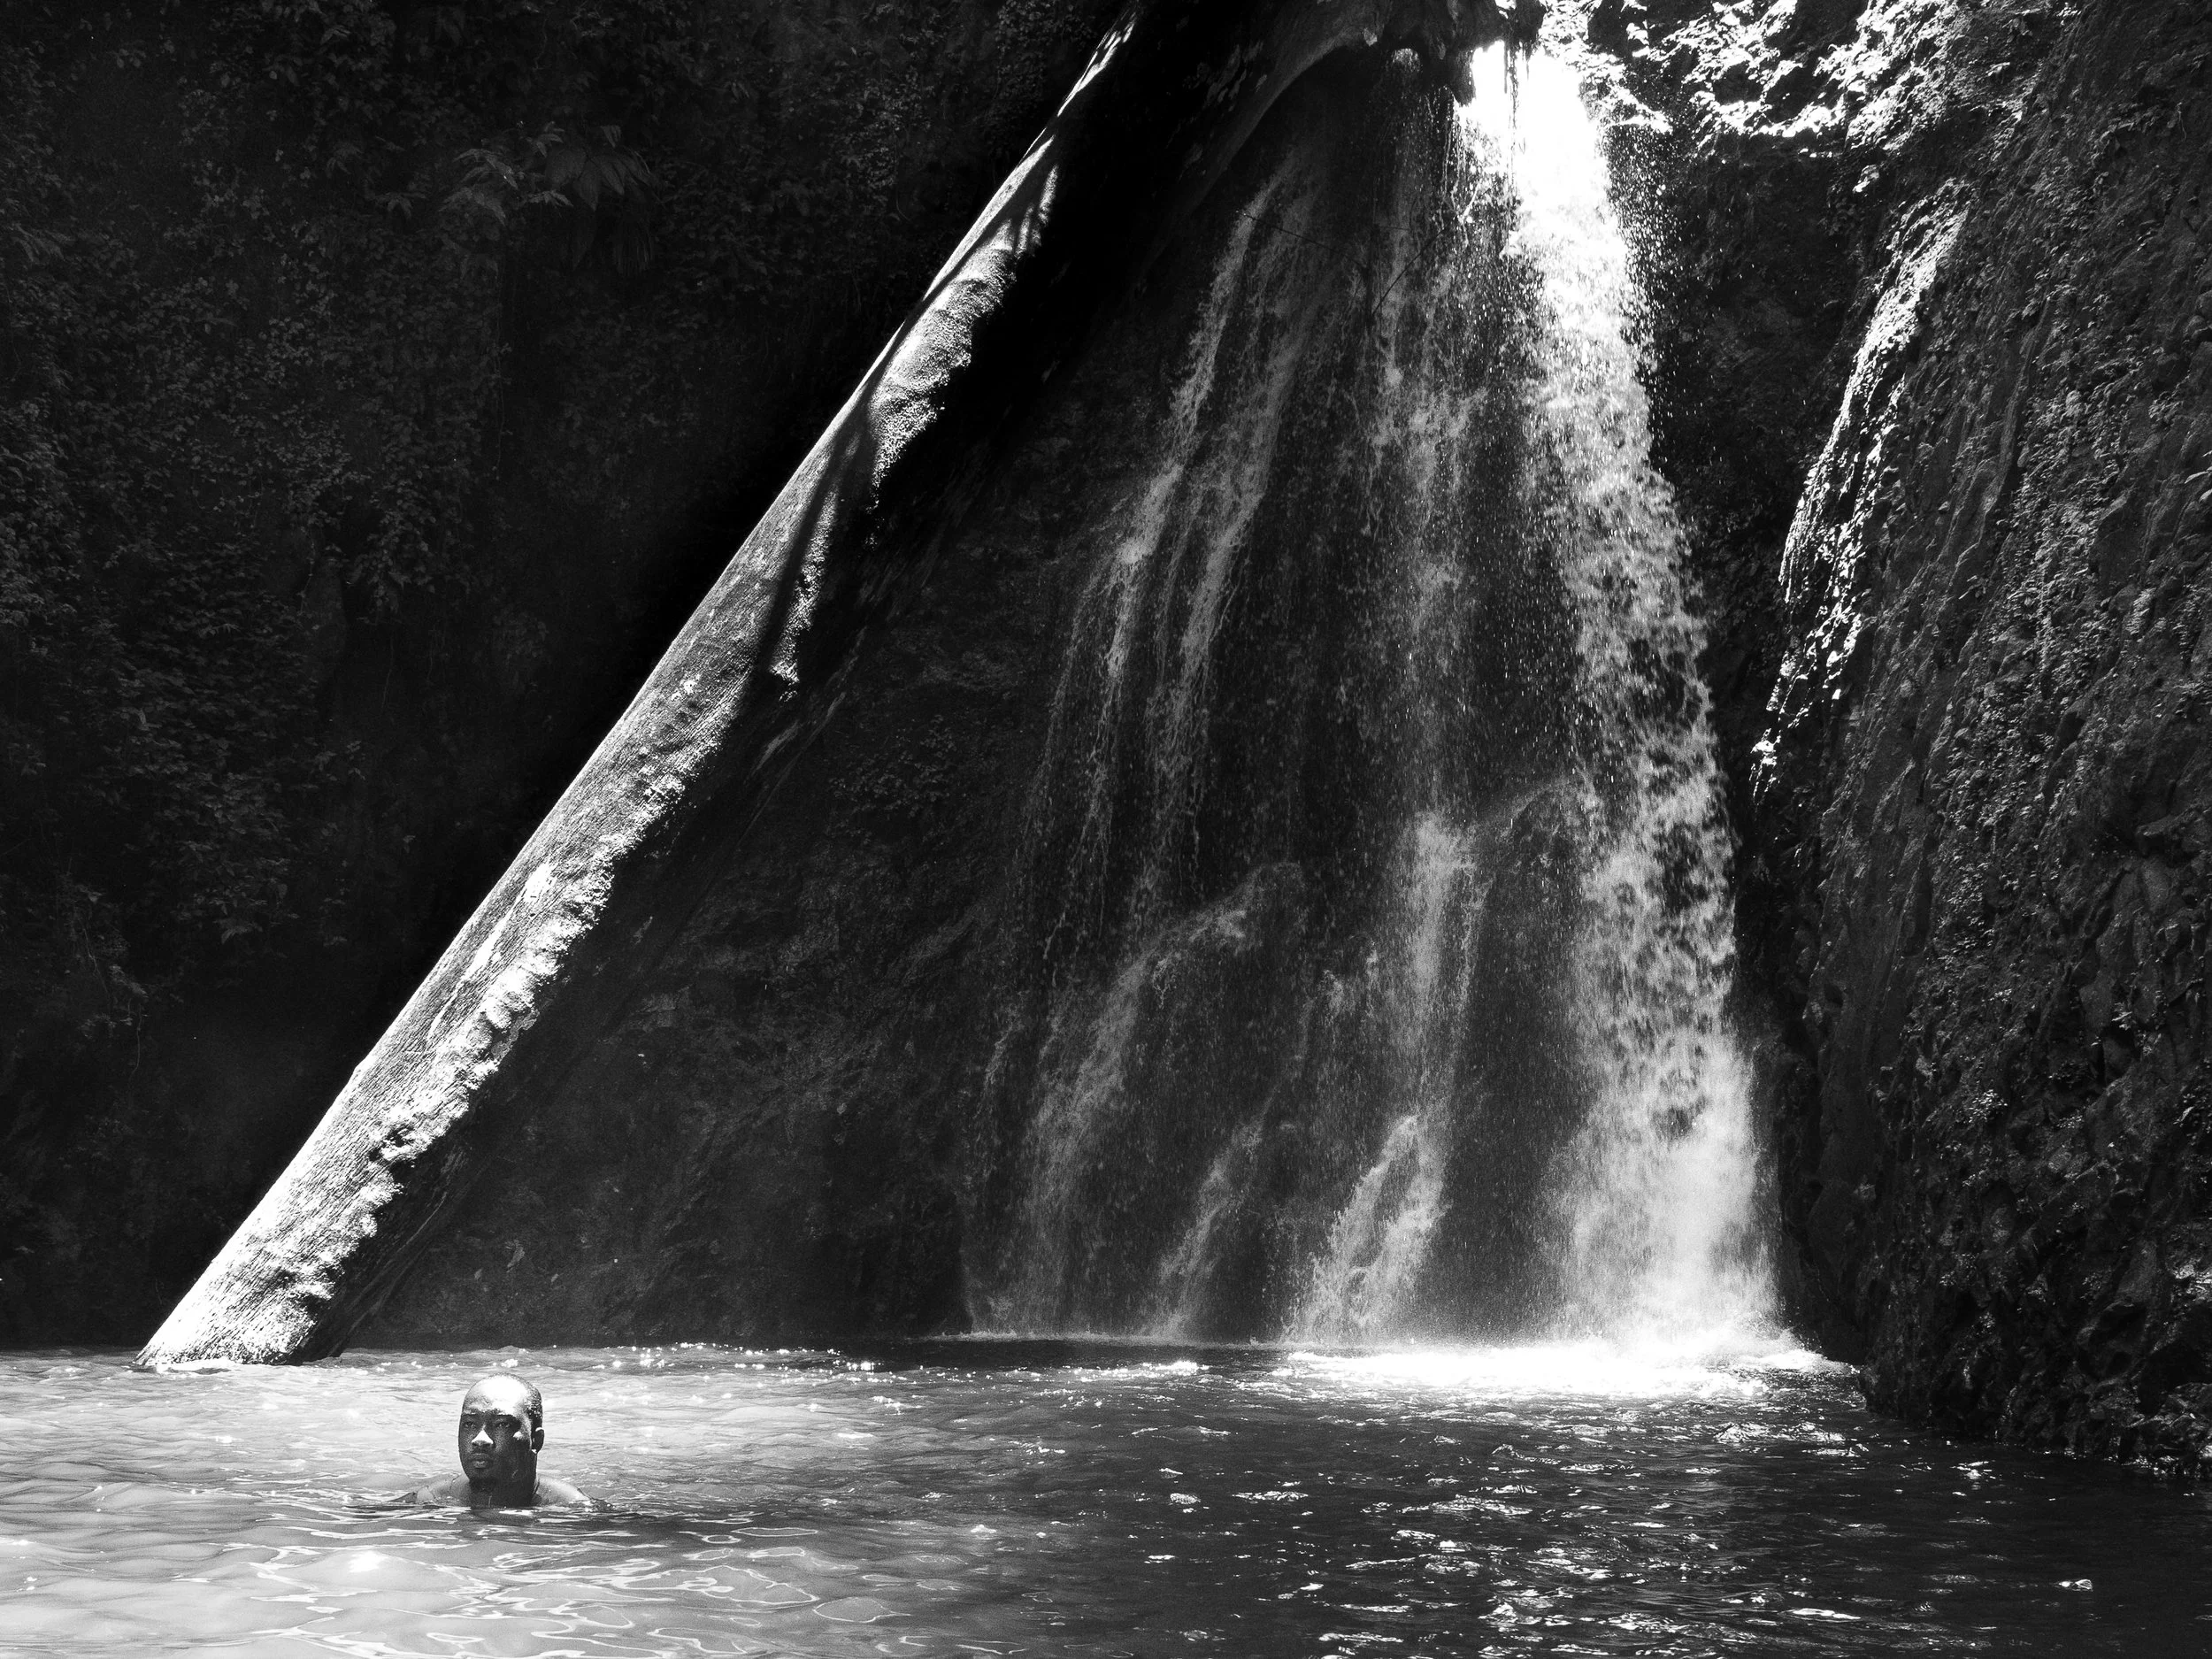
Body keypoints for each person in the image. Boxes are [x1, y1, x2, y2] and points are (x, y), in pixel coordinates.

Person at [411, 1373, 588, 1508]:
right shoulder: (431, 1501)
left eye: (502, 1424)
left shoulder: (573, 1509)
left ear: (536, 1440)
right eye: (470, 1424)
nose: (479, 1440)